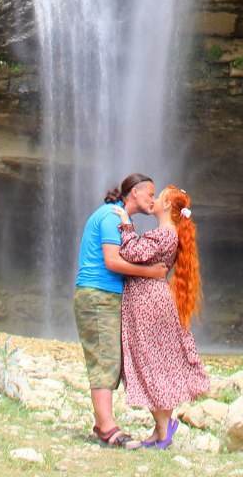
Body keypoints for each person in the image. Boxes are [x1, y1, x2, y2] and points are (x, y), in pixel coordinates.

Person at [74, 172, 169, 448]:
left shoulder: (119, 218)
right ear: (135, 193)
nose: (153, 199)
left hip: (106, 296)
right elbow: (112, 262)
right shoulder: (111, 217)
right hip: (97, 296)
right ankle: (107, 428)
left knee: (110, 358)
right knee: (104, 358)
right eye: (151, 193)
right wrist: (151, 273)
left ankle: (102, 423)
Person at [112, 184, 210, 448]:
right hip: (152, 300)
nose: (153, 200)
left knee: (148, 362)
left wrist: (125, 224)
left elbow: (131, 253)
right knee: (154, 362)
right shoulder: (169, 233)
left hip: (148, 302)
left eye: (158, 197)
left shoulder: (165, 234)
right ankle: (160, 430)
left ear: (167, 206)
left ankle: (164, 428)